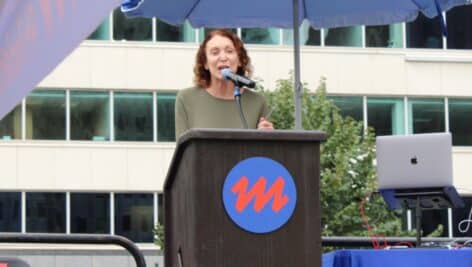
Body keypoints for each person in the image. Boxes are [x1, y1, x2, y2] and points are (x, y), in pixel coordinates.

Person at [175, 29, 273, 140]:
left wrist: (268, 138)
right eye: (215, 52)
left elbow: (263, 154)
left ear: (240, 60)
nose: (223, 57)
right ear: (205, 63)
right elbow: (183, 151)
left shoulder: (257, 102)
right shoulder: (186, 98)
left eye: (229, 51)